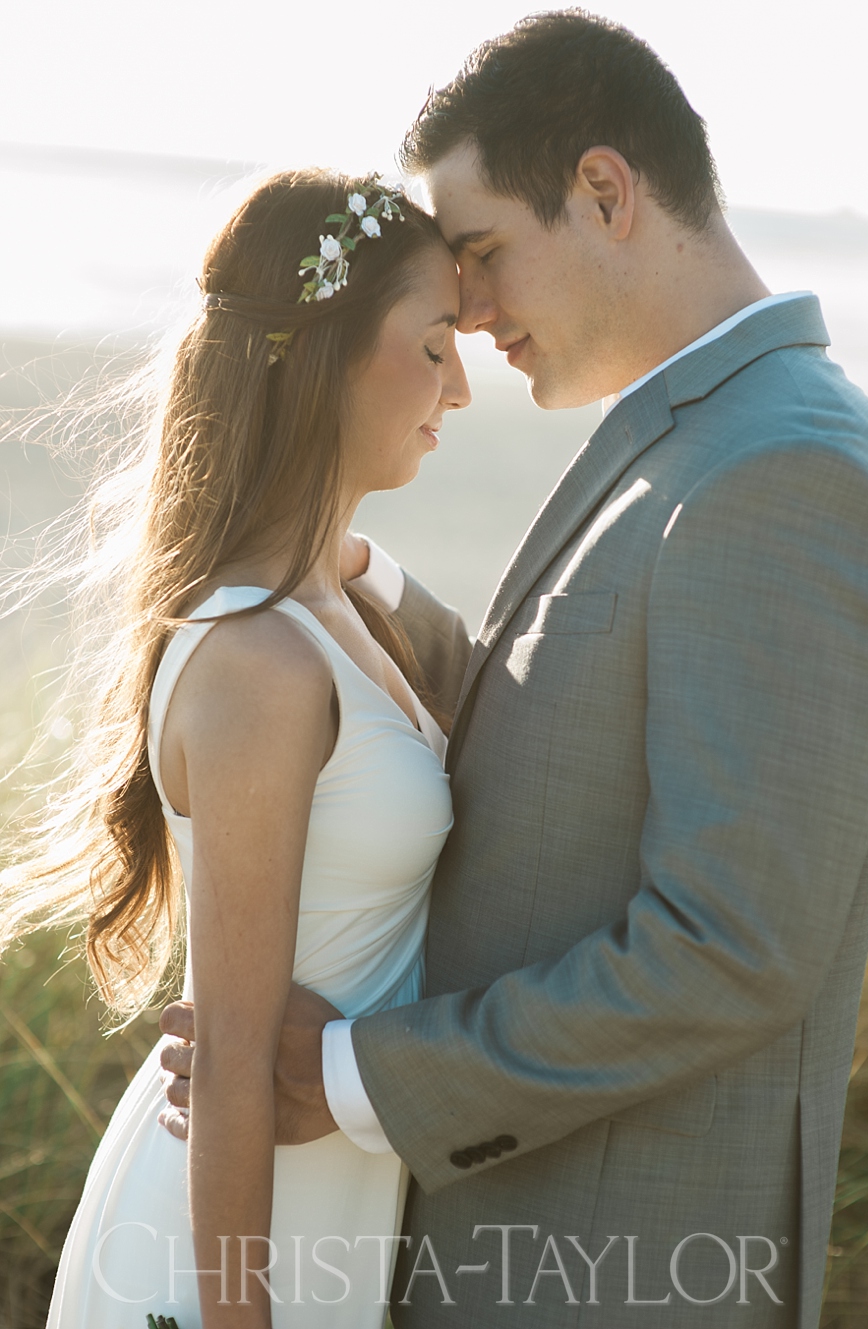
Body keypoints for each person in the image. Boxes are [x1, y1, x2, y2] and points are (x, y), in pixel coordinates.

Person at [155, 12, 868, 1328]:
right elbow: (559, 709)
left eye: (482, 253)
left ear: (603, 191)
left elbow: (734, 946)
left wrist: (358, 1076)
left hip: (614, 1272)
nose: (471, 312)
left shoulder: (787, 470)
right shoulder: (700, 434)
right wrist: (341, 569)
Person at [0, 168, 471, 1326]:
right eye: (435, 341)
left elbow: (474, 667)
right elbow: (229, 1074)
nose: (461, 386)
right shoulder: (262, 665)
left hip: (337, 1207)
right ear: (325, 357)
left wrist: (343, 556)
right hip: (235, 1255)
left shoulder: (336, 618)